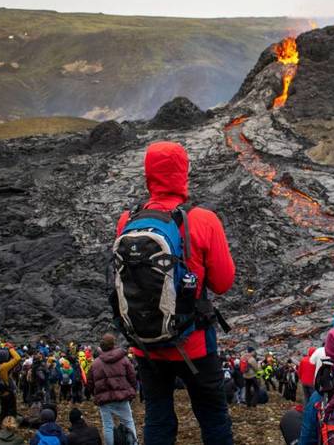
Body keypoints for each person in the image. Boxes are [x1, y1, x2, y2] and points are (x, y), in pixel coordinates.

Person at [114, 141, 236, 445]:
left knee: (157, 415)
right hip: (195, 343)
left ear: (148, 176)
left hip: (146, 343)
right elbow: (222, 283)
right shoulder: (202, 219)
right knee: (213, 417)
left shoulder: (128, 221)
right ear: (183, 173)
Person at [86, 333, 138, 445]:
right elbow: (132, 376)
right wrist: (133, 391)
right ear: (113, 344)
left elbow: (89, 382)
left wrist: (93, 394)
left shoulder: (95, 363)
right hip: (122, 397)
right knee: (128, 422)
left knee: (108, 425)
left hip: (104, 399)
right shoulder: (124, 359)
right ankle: (133, 443)